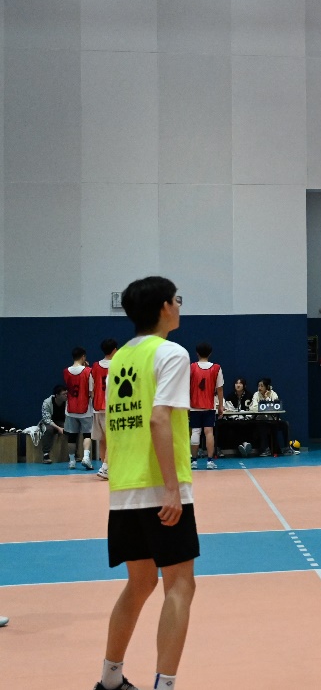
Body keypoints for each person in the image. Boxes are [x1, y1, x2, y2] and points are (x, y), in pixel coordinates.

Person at [93, 276, 196, 690]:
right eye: (176, 300)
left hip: (124, 487)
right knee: (180, 585)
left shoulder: (119, 359)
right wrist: (172, 488)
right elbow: (157, 419)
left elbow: (114, 423)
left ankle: (110, 680)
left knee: (139, 583)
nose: (179, 306)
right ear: (164, 307)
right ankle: (165, 686)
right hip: (159, 486)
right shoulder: (171, 353)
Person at [188, 343, 224, 470]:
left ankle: (194, 461)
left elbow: (186, 387)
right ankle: (209, 461)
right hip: (209, 406)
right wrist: (221, 406)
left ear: (197, 353)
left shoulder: (191, 367)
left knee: (195, 432)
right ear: (210, 353)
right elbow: (220, 389)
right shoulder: (217, 368)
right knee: (209, 432)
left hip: (194, 406)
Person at [92, 339, 118, 480]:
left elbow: (92, 387)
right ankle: (106, 468)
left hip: (97, 406)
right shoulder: (117, 364)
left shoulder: (95, 366)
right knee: (112, 439)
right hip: (110, 406)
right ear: (114, 350)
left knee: (102, 440)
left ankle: (104, 466)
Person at [65, 347, 95, 470]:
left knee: (72, 436)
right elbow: (91, 391)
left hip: (70, 409)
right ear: (83, 357)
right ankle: (86, 457)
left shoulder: (66, 371)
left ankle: (72, 461)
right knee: (87, 434)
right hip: (85, 408)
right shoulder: (88, 371)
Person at [248, 379, 293, 456]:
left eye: (262, 386)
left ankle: (287, 448)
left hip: (273, 420)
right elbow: (254, 407)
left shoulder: (273, 394)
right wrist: (265, 405)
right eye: (258, 386)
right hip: (261, 420)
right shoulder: (256, 395)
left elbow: (276, 407)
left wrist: (267, 398)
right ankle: (265, 450)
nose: (259, 388)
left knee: (285, 424)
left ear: (267, 387)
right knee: (262, 426)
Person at [38, 385, 69, 465]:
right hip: (50, 423)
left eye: (67, 393)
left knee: (71, 429)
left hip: (63, 422)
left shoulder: (68, 402)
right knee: (48, 430)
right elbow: (46, 419)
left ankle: (74, 454)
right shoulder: (47, 402)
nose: (66, 395)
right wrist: (59, 428)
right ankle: (46, 455)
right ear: (57, 395)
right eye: (64, 394)